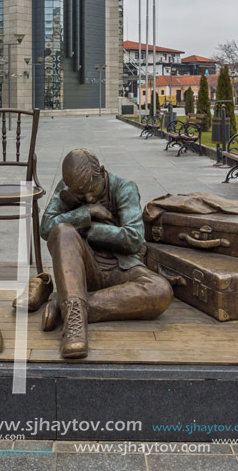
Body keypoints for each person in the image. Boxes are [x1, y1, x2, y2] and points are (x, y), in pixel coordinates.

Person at [39, 149, 173, 359]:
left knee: (161, 290)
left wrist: (89, 228)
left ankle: (67, 305)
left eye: (92, 190)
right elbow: (46, 227)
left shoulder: (124, 188)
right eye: (81, 195)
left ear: (101, 172)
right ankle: (75, 327)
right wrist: (87, 212)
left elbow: (133, 238)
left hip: (122, 269)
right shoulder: (67, 189)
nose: (89, 198)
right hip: (85, 270)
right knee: (63, 231)